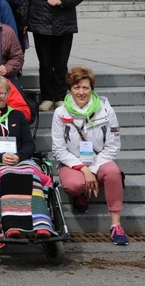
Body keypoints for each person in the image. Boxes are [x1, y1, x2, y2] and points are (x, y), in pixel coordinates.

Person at [51, 66, 128, 246]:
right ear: (70, 89)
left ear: (92, 89)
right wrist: (84, 169)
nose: (81, 92)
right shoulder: (60, 113)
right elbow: (58, 150)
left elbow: (113, 146)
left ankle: (116, 225)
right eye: (76, 87)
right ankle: (81, 193)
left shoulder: (106, 110)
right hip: (73, 163)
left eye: (85, 87)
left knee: (113, 173)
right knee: (74, 184)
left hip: (100, 160)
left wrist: (92, 169)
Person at [0, 75, 52, 240]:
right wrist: (0, 157)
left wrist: (19, 157)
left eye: (1, 93)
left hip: (20, 161)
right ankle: (11, 224)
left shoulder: (18, 116)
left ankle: (41, 224)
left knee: (32, 174)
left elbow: (29, 145)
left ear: (8, 94)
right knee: (9, 174)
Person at [20, 0, 86, 111]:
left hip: (64, 24)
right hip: (40, 23)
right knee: (45, 64)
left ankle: (60, 96)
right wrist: (24, 20)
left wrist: (62, 0)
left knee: (61, 64)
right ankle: (47, 97)